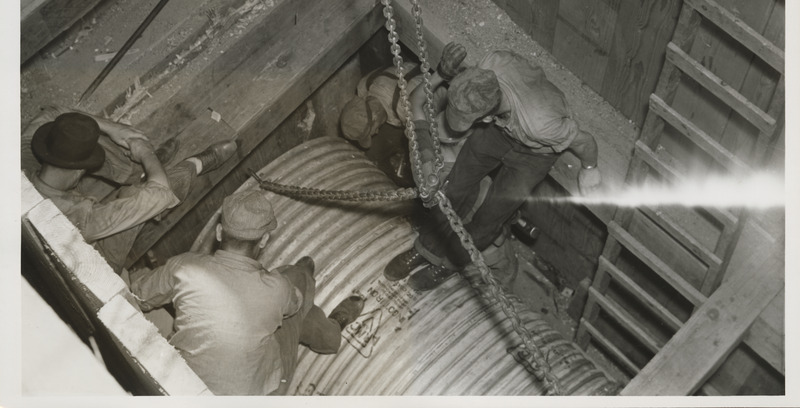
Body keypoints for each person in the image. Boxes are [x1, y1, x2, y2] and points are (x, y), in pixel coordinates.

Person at [384, 45, 603, 292]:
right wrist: (442, 74)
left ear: (485, 118)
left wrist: (590, 167)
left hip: (534, 153)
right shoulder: (490, 65)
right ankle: (426, 249)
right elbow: (419, 105)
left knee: (491, 216)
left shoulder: (543, 126)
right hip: (501, 129)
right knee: (453, 189)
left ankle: (448, 264)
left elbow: (585, 141)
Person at [130, 188, 365, 395]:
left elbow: (140, 295)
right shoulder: (277, 288)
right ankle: (331, 332)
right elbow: (294, 304)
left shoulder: (183, 267)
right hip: (260, 392)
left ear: (219, 232)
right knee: (296, 286)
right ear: (263, 240)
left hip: (179, 386)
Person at [21, 105, 237, 273]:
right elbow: (158, 196)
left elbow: (55, 112)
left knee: (79, 137)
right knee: (139, 197)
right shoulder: (74, 221)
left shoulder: (19, 161)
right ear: (79, 173)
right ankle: (194, 164)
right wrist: (145, 153)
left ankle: (141, 172)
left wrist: (113, 128)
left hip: (60, 212)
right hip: (92, 259)